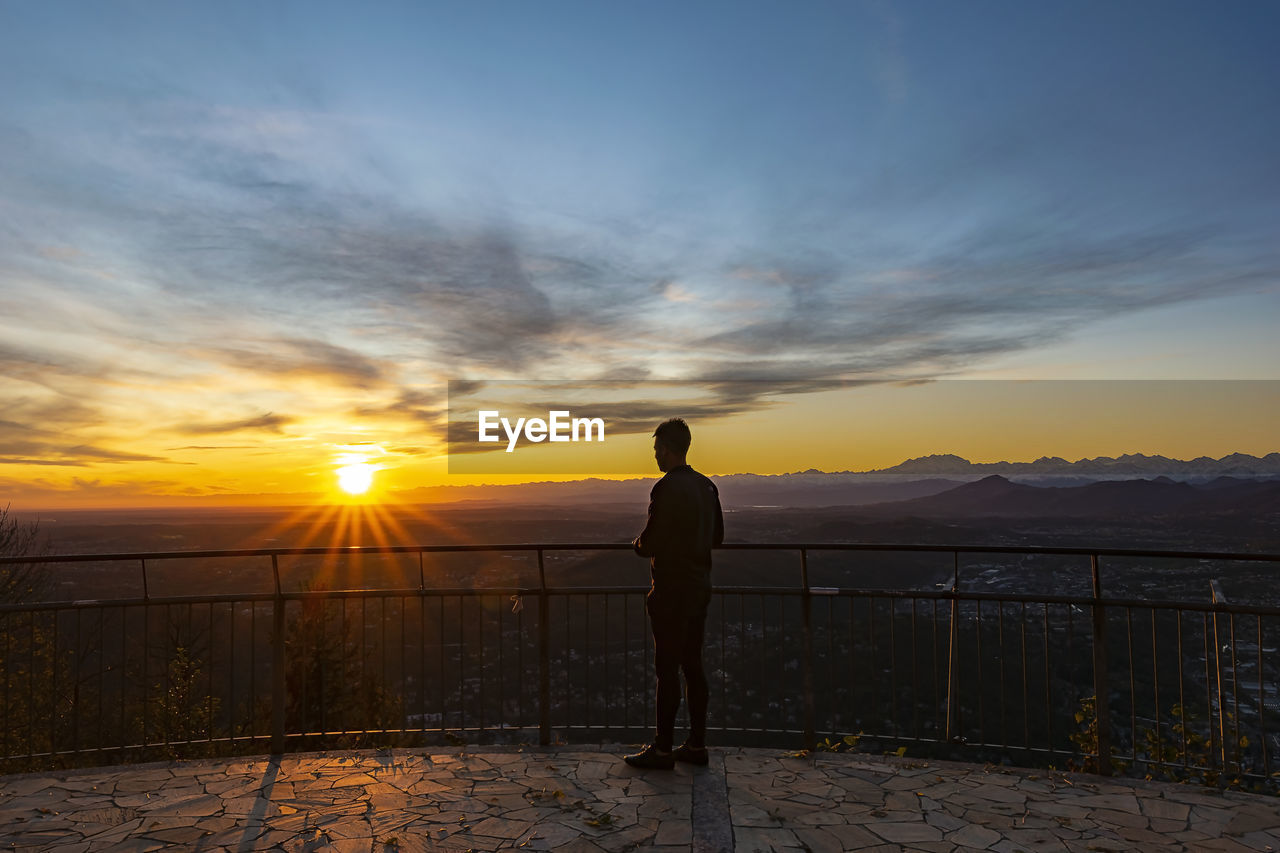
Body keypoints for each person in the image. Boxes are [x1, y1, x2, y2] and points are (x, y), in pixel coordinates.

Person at [624, 418, 724, 769]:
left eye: (656, 450)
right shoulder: (707, 487)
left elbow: (650, 542)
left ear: (665, 449)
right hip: (699, 588)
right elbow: (717, 538)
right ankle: (697, 745)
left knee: (666, 669)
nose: (655, 456)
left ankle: (662, 749)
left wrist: (638, 544)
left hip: (670, 591)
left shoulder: (666, 489)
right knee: (693, 666)